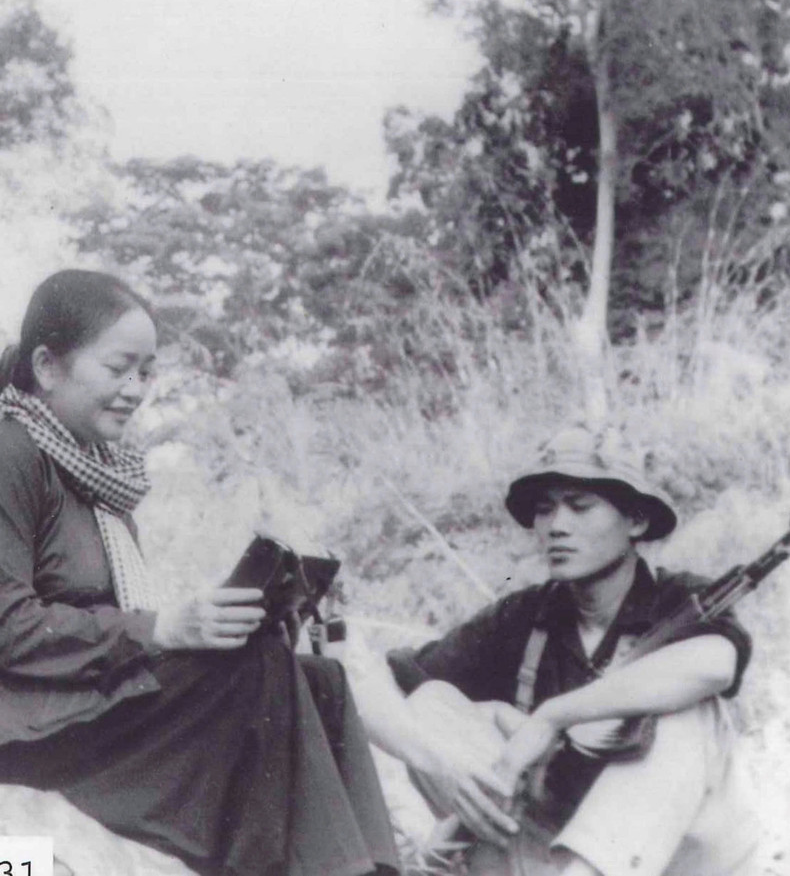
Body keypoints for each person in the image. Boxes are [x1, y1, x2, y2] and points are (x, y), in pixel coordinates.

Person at [0, 269, 400, 876]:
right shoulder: (12, 454)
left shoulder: (95, 476)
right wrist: (161, 629)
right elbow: (9, 627)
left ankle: (370, 868)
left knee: (322, 681)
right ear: (48, 366)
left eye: (146, 373)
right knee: (254, 669)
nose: (136, 390)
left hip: (85, 712)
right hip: (33, 734)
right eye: (119, 368)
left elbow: (111, 621)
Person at [354, 424, 759, 876]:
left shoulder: (677, 599)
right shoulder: (524, 616)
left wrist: (552, 717)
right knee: (431, 703)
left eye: (580, 507)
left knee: (685, 709)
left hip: (676, 859)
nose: (557, 527)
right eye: (545, 510)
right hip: (545, 847)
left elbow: (714, 665)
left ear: (636, 521)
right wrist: (445, 762)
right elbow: (382, 683)